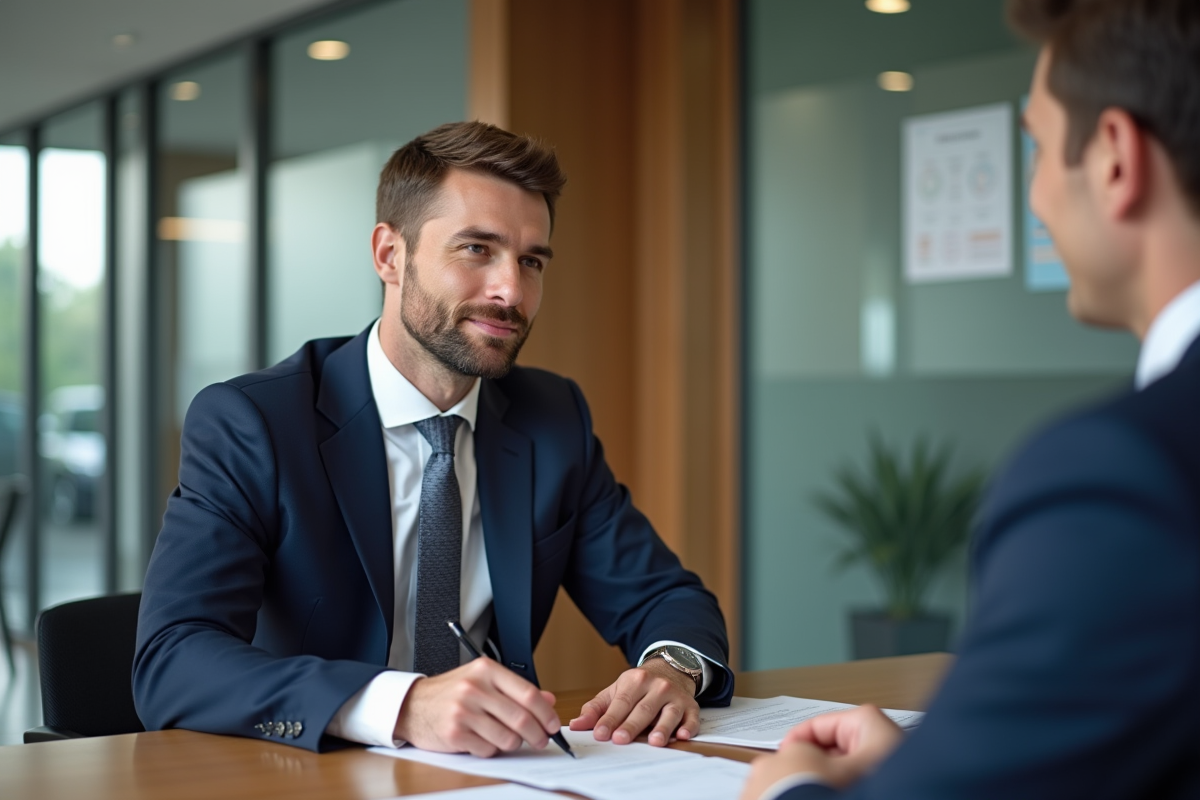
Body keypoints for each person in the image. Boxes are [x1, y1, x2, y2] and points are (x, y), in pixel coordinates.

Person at [134, 121, 733, 755]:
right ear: (390, 255)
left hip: (503, 775)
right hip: (310, 774)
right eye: (477, 249)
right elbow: (173, 659)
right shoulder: (254, 423)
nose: (511, 290)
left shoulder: (551, 417)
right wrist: (401, 706)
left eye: (531, 261)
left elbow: (664, 595)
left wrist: (673, 670)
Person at [740, 1, 1200, 797]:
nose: (1036, 198)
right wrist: (940, 761)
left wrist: (787, 792)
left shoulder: (1122, 475)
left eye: (1040, 151)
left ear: (1118, 160)